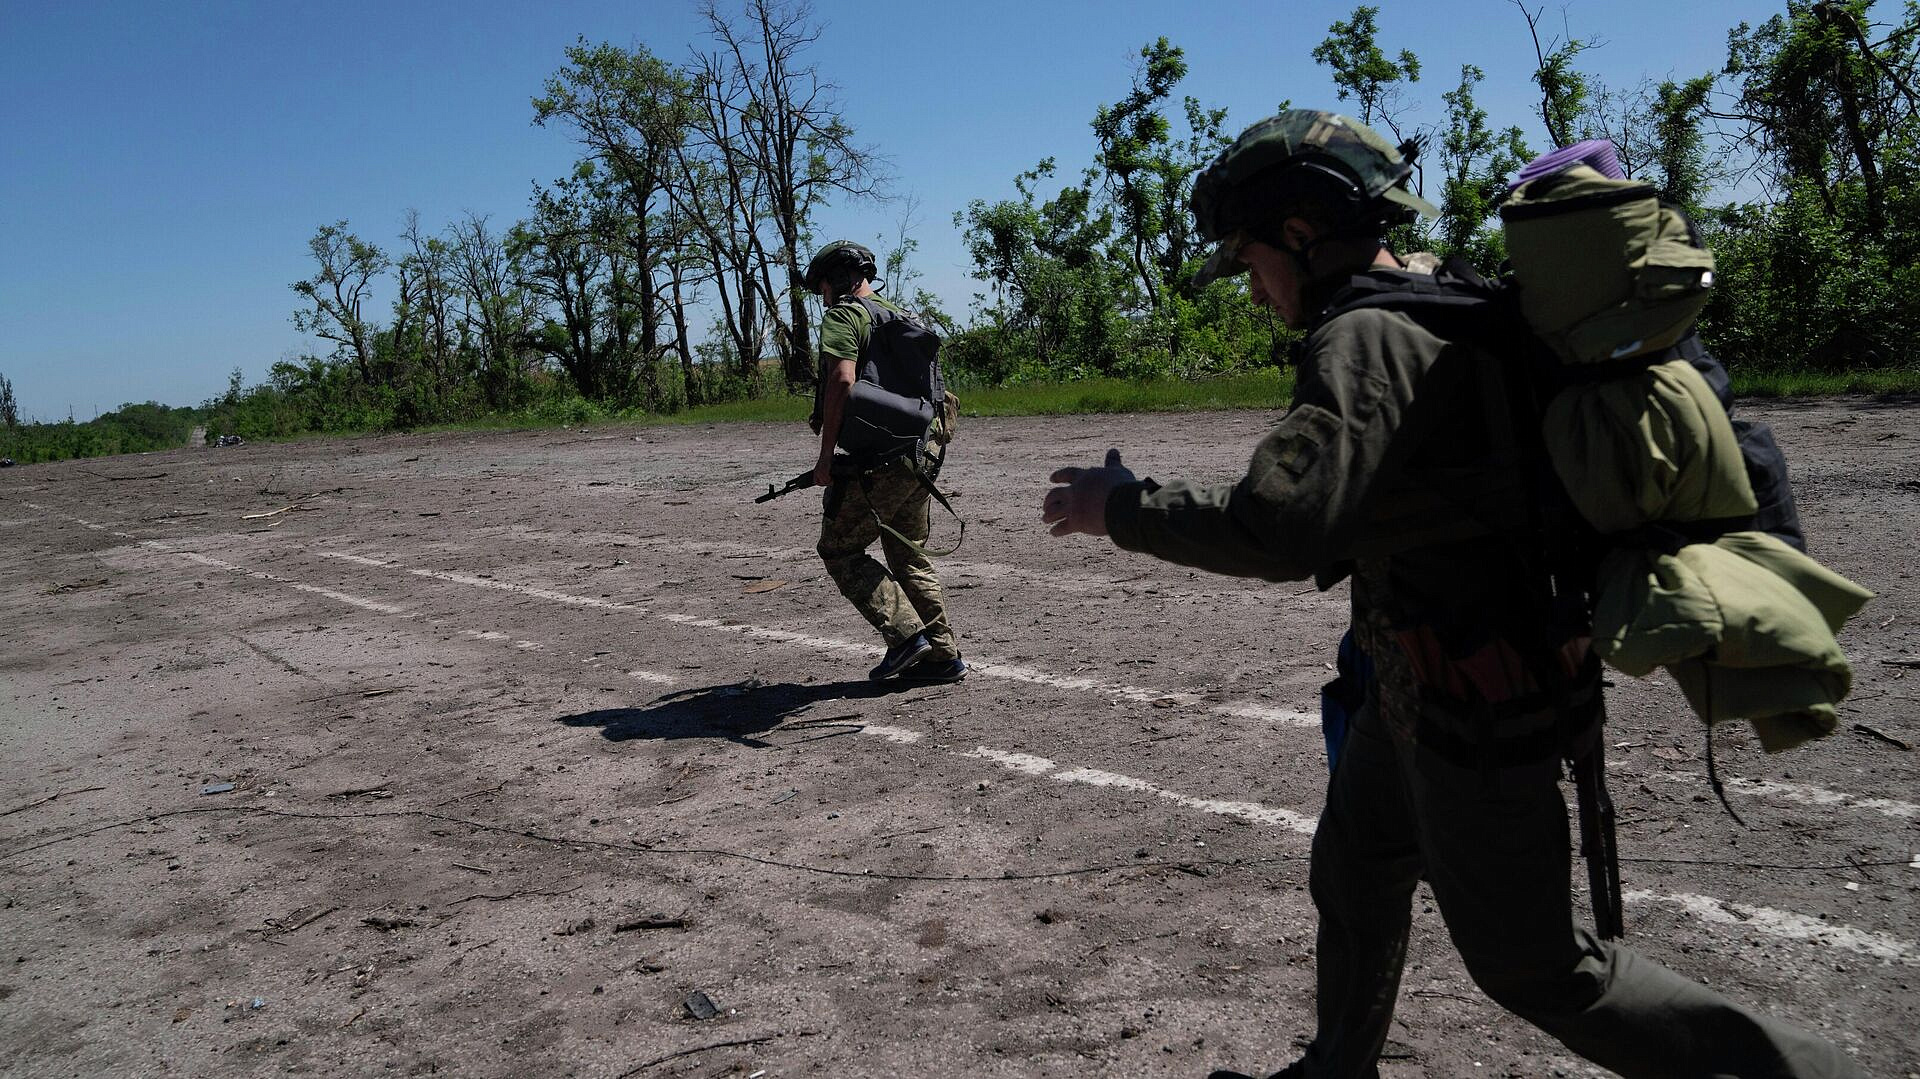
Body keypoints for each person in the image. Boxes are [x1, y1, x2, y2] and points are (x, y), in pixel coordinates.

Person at [1040, 111, 1862, 1079]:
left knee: (1542, 966)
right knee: (1355, 867)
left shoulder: (1368, 333)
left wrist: (1122, 507)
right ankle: (1337, 1067)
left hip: (1478, 701)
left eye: (1252, 258)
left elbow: (1281, 523)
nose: (1256, 288)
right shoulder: (1444, 294)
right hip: (1417, 683)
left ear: (1303, 235)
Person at [801, 240, 965, 683]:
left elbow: (842, 381)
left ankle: (908, 637)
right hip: (922, 453)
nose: (823, 298)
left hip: (880, 460)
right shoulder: (901, 315)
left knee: (840, 549)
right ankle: (942, 657)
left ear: (837, 278)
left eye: (822, 288)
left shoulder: (844, 315)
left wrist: (824, 458)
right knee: (907, 553)